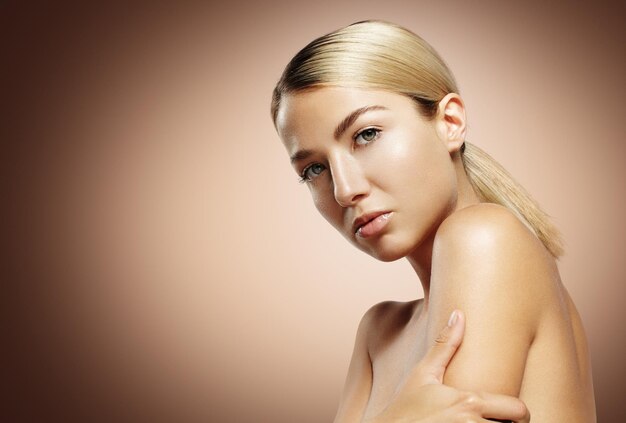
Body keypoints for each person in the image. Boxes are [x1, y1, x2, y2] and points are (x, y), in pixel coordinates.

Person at [271, 20, 596, 422]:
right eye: (314, 169)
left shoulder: (484, 239)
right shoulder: (378, 333)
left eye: (366, 134)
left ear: (450, 122)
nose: (344, 189)